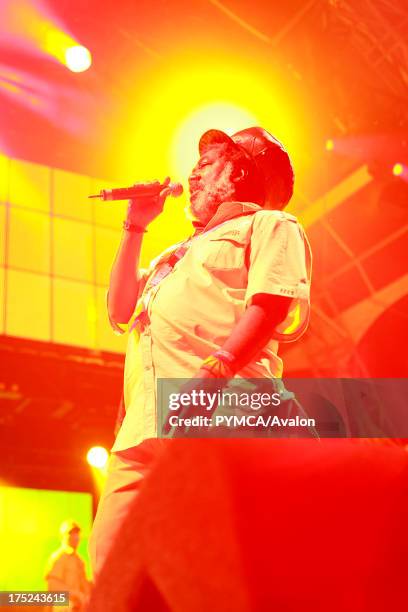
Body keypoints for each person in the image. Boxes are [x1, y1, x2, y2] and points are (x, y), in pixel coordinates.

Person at [89, 126, 312, 574]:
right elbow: (119, 310)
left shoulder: (269, 225)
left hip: (221, 414)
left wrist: (211, 378)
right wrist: (135, 225)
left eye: (208, 165)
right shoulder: (175, 253)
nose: (192, 175)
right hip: (144, 428)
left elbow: (270, 304)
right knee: (110, 565)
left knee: (214, 566)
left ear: (240, 172)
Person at [45, 520, 91, 611]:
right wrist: (75, 594)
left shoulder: (79, 560)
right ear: (62, 537)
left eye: (77, 533)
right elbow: (53, 585)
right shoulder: (59, 557)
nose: (74, 537)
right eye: (70, 533)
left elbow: (84, 585)